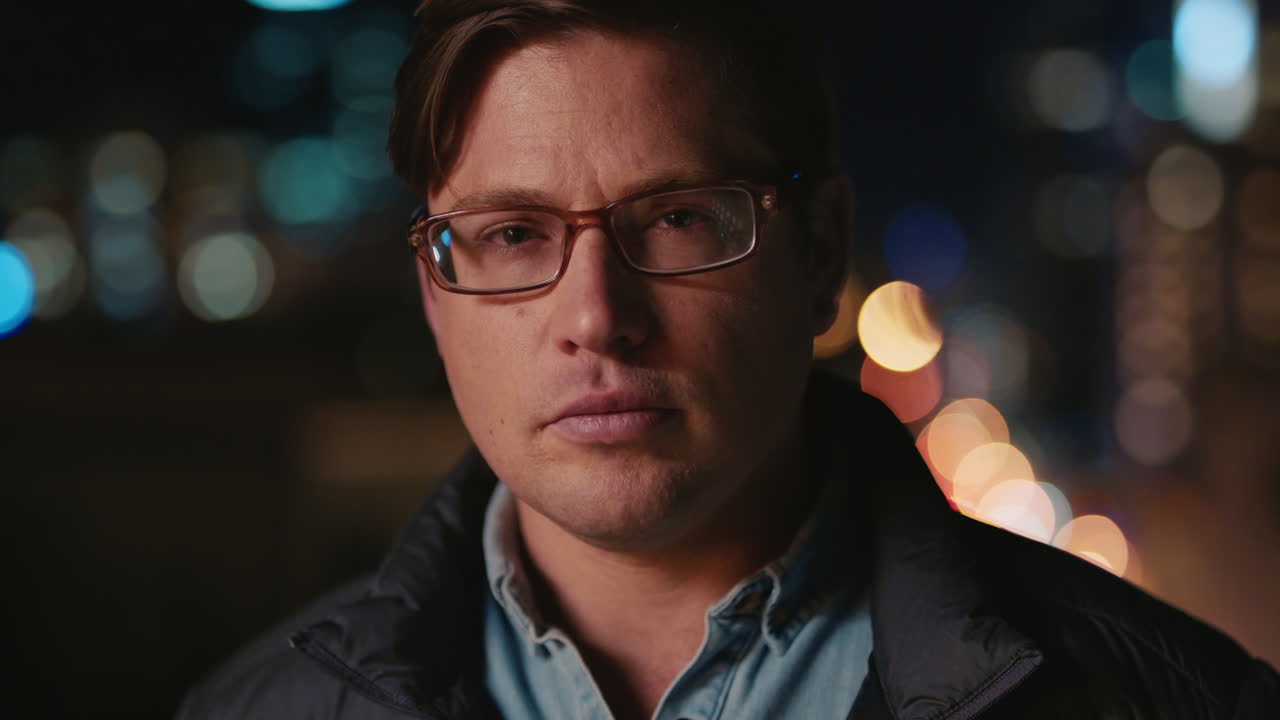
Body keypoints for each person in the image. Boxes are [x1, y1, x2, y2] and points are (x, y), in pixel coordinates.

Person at [178, 1, 1279, 717]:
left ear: (820, 254)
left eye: (677, 220)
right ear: (432, 289)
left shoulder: (1165, 702)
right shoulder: (256, 711)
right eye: (512, 235)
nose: (597, 317)